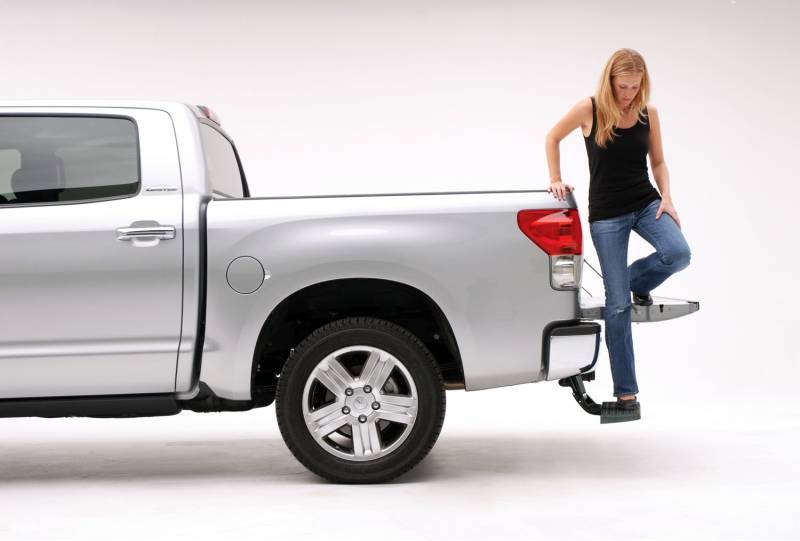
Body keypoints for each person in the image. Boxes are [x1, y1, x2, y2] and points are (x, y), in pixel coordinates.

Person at [544, 48, 692, 422]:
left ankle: (631, 281)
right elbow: (552, 137)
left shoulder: (647, 112)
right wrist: (555, 179)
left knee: (678, 253)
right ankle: (627, 393)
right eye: (623, 86)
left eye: (635, 86)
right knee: (618, 305)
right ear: (610, 81)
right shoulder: (589, 109)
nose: (629, 94)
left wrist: (667, 197)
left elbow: (658, 161)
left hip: (645, 202)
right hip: (607, 214)